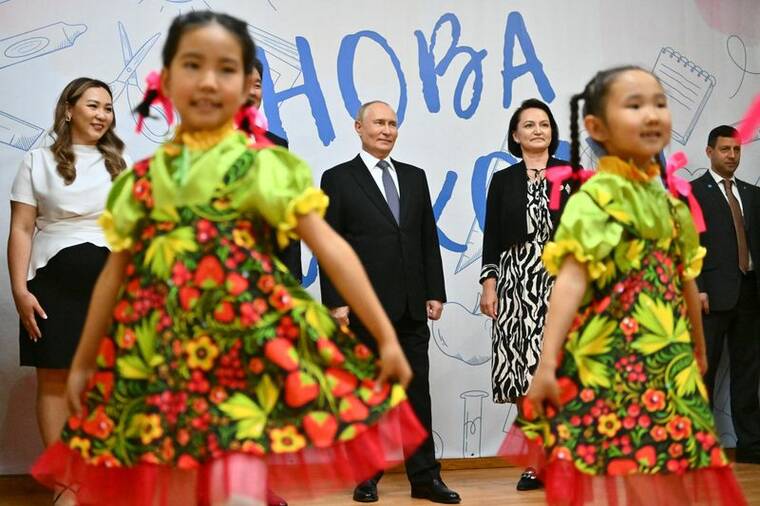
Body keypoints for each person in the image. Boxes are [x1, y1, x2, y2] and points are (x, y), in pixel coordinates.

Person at [31, 11, 425, 506]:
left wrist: (385, 335)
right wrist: (87, 359)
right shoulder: (145, 180)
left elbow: (332, 247)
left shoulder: (267, 166)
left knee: (235, 466)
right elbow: (118, 270)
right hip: (166, 342)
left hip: (240, 339)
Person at [502, 66, 747, 505]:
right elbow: (571, 282)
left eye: (659, 103)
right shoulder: (593, 199)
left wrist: (698, 347)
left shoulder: (673, 202)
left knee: (669, 469)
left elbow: (686, 276)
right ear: (597, 127)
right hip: (613, 358)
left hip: (667, 358)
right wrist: (546, 364)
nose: (651, 114)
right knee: (621, 467)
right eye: (634, 106)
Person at [320, 101, 460, 504]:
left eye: (393, 123)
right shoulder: (338, 178)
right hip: (363, 307)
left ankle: (425, 480)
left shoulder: (414, 178)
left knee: (417, 395)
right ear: (358, 126)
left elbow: (425, 240)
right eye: (378, 122)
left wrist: (435, 291)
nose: (386, 129)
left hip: (413, 306)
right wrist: (336, 301)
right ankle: (366, 477)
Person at [8, 77, 129, 453]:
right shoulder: (36, 161)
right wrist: (19, 291)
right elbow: (22, 228)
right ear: (68, 109)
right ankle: (66, 485)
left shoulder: (118, 166)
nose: (102, 114)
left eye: (108, 108)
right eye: (93, 105)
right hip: (51, 288)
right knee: (55, 383)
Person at [479, 98, 569, 491]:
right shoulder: (502, 180)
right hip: (515, 285)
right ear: (515, 135)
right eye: (528, 125)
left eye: (543, 124)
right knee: (521, 376)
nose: (537, 130)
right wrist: (489, 282)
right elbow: (493, 239)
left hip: (560, 283)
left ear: (552, 133)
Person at [691, 125, 760, 464]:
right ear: (709, 152)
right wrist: (698, 289)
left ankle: (750, 445)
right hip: (710, 297)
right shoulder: (692, 193)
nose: (731, 156)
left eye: (736, 150)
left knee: (748, 372)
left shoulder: (752, 193)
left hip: (750, 293)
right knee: (704, 372)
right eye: (724, 150)